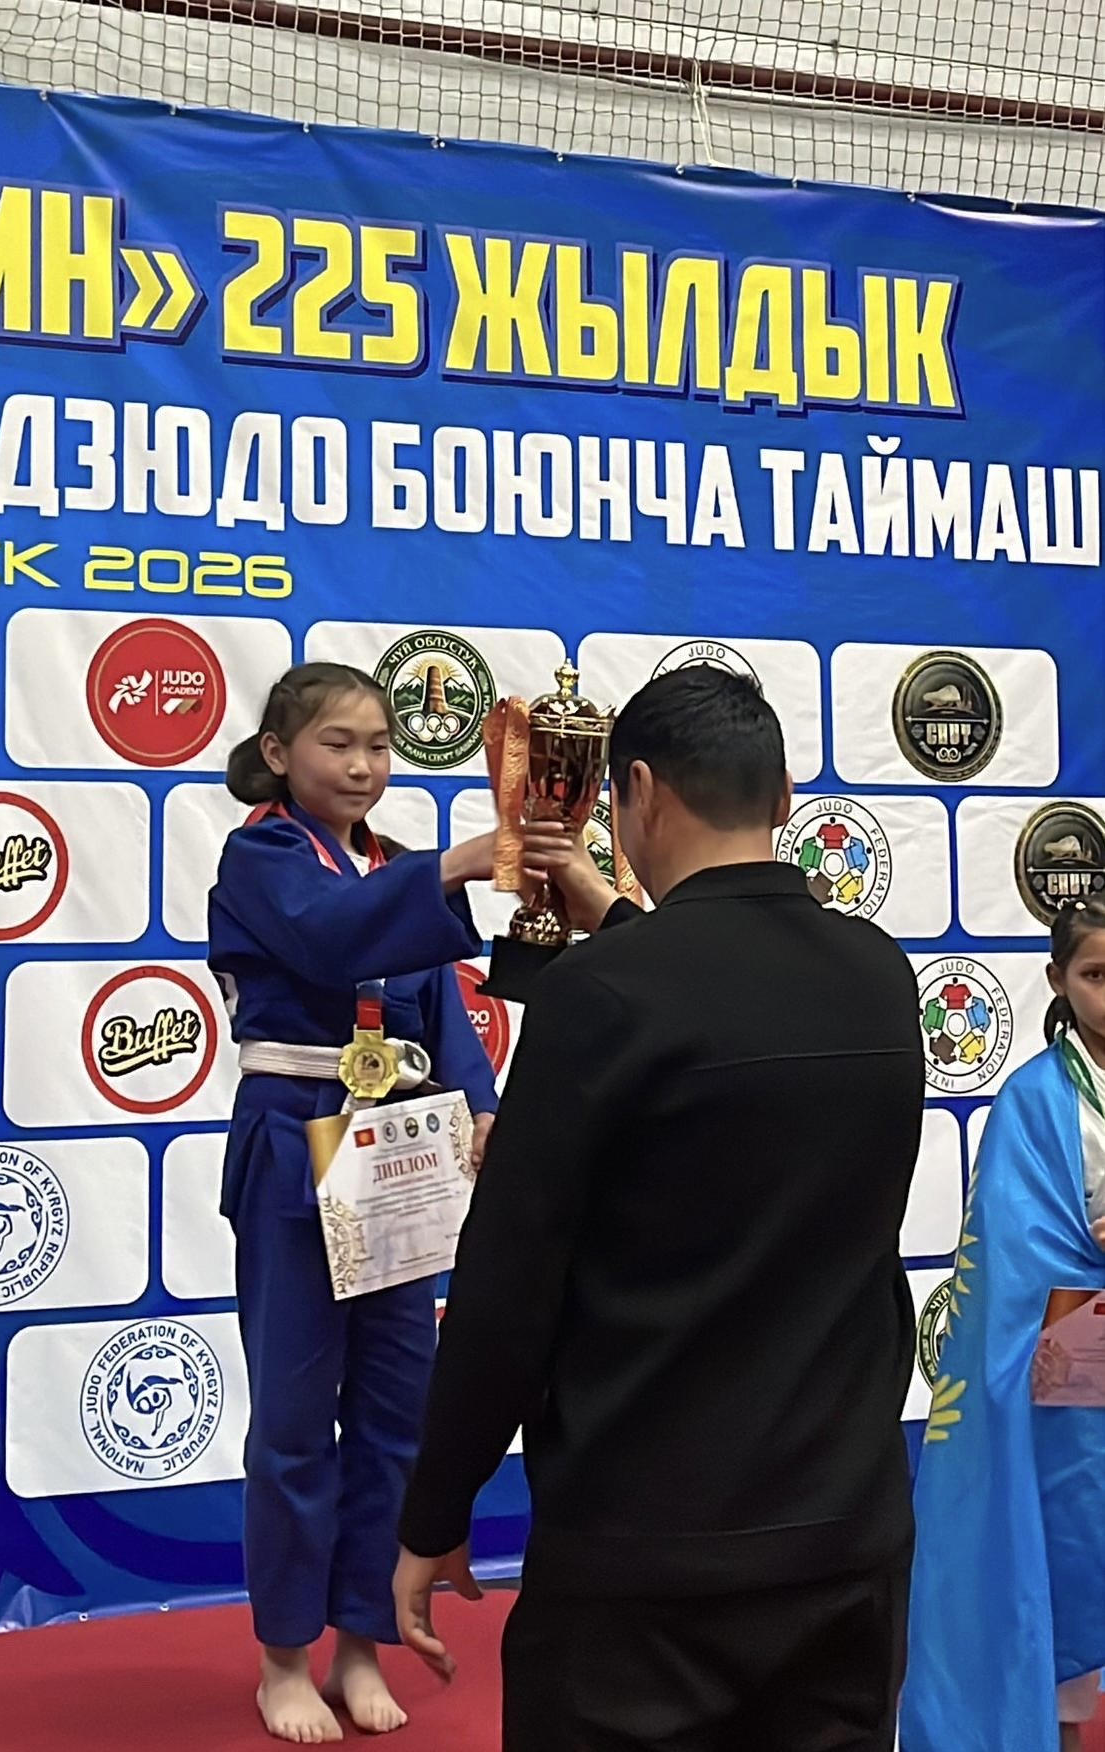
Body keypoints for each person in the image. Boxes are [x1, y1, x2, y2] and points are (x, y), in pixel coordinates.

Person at [394, 665, 926, 1752]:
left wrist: (437, 1508)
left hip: (643, 1553)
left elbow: (507, 1290)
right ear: (783, 796)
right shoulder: (879, 976)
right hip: (843, 1537)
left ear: (635, 790)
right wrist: (622, 925)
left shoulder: (603, 995)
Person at [207, 661, 502, 1745]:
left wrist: (480, 1103)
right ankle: (283, 1658)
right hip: (295, 1141)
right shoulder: (262, 857)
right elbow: (332, 936)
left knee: (392, 1415)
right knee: (294, 1423)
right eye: (338, 743)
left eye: (379, 745)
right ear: (279, 753)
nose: (364, 765)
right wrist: (457, 863)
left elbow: (440, 1014)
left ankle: (361, 1643)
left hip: (396, 1153)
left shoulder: (386, 866)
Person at [900, 898, 1105, 1752]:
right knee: (1064, 1557)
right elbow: (1018, 1260)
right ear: (1056, 980)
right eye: (1094, 974)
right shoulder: (1032, 1099)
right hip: (1079, 1365)